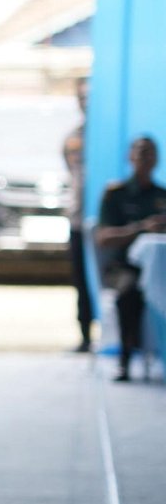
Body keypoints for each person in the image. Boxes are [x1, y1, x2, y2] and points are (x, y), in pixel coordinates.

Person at [93, 135, 166, 382]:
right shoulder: (116, 194)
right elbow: (103, 238)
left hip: (159, 268)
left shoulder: (162, 195)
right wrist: (141, 228)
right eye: (141, 152)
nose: (146, 158)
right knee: (130, 292)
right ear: (130, 157)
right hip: (123, 267)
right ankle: (125, 358)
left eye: (151, 152)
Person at [63, 78, 92, 352]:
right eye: (82, 97)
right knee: (81, 278)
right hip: (78, 218)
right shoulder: (73, 138)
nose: (87, 102)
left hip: (106, 220)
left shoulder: (109, 135)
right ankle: (85, 335)